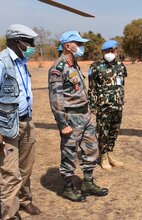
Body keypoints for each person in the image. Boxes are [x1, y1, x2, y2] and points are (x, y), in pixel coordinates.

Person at [0, 24, 41, 219]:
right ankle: (10, 213)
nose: (32, 46)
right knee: (10, 173)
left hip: (26, 123)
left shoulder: (22, 62)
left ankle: (25, 200)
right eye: (29, 42)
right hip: (5, 128)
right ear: (16, 42)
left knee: (26, 168)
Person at [48, 31, 108, 202]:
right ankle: (68, 187)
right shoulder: (58, 69)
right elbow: (56, 99)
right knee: (69, 153)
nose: (81, 47)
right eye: (78, 43)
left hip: (85, 114)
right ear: (68, 46)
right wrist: (62, 123)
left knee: (91, 150)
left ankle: (88, 182)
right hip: (71, 118)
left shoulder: (74, 64)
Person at [88, 40, 128, 170]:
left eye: (113, 51)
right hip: (103, 106)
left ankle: (110, 154)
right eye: (107, 51)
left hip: (117, 105)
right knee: (103, 132)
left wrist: (121, 98)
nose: (110, 54)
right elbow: (92, 88)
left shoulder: (121, 66)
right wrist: (93, 106)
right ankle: (103, 157)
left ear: (116, 52)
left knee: (114, 131)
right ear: (102, 52)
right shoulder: (95, 67)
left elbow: (121, 85)